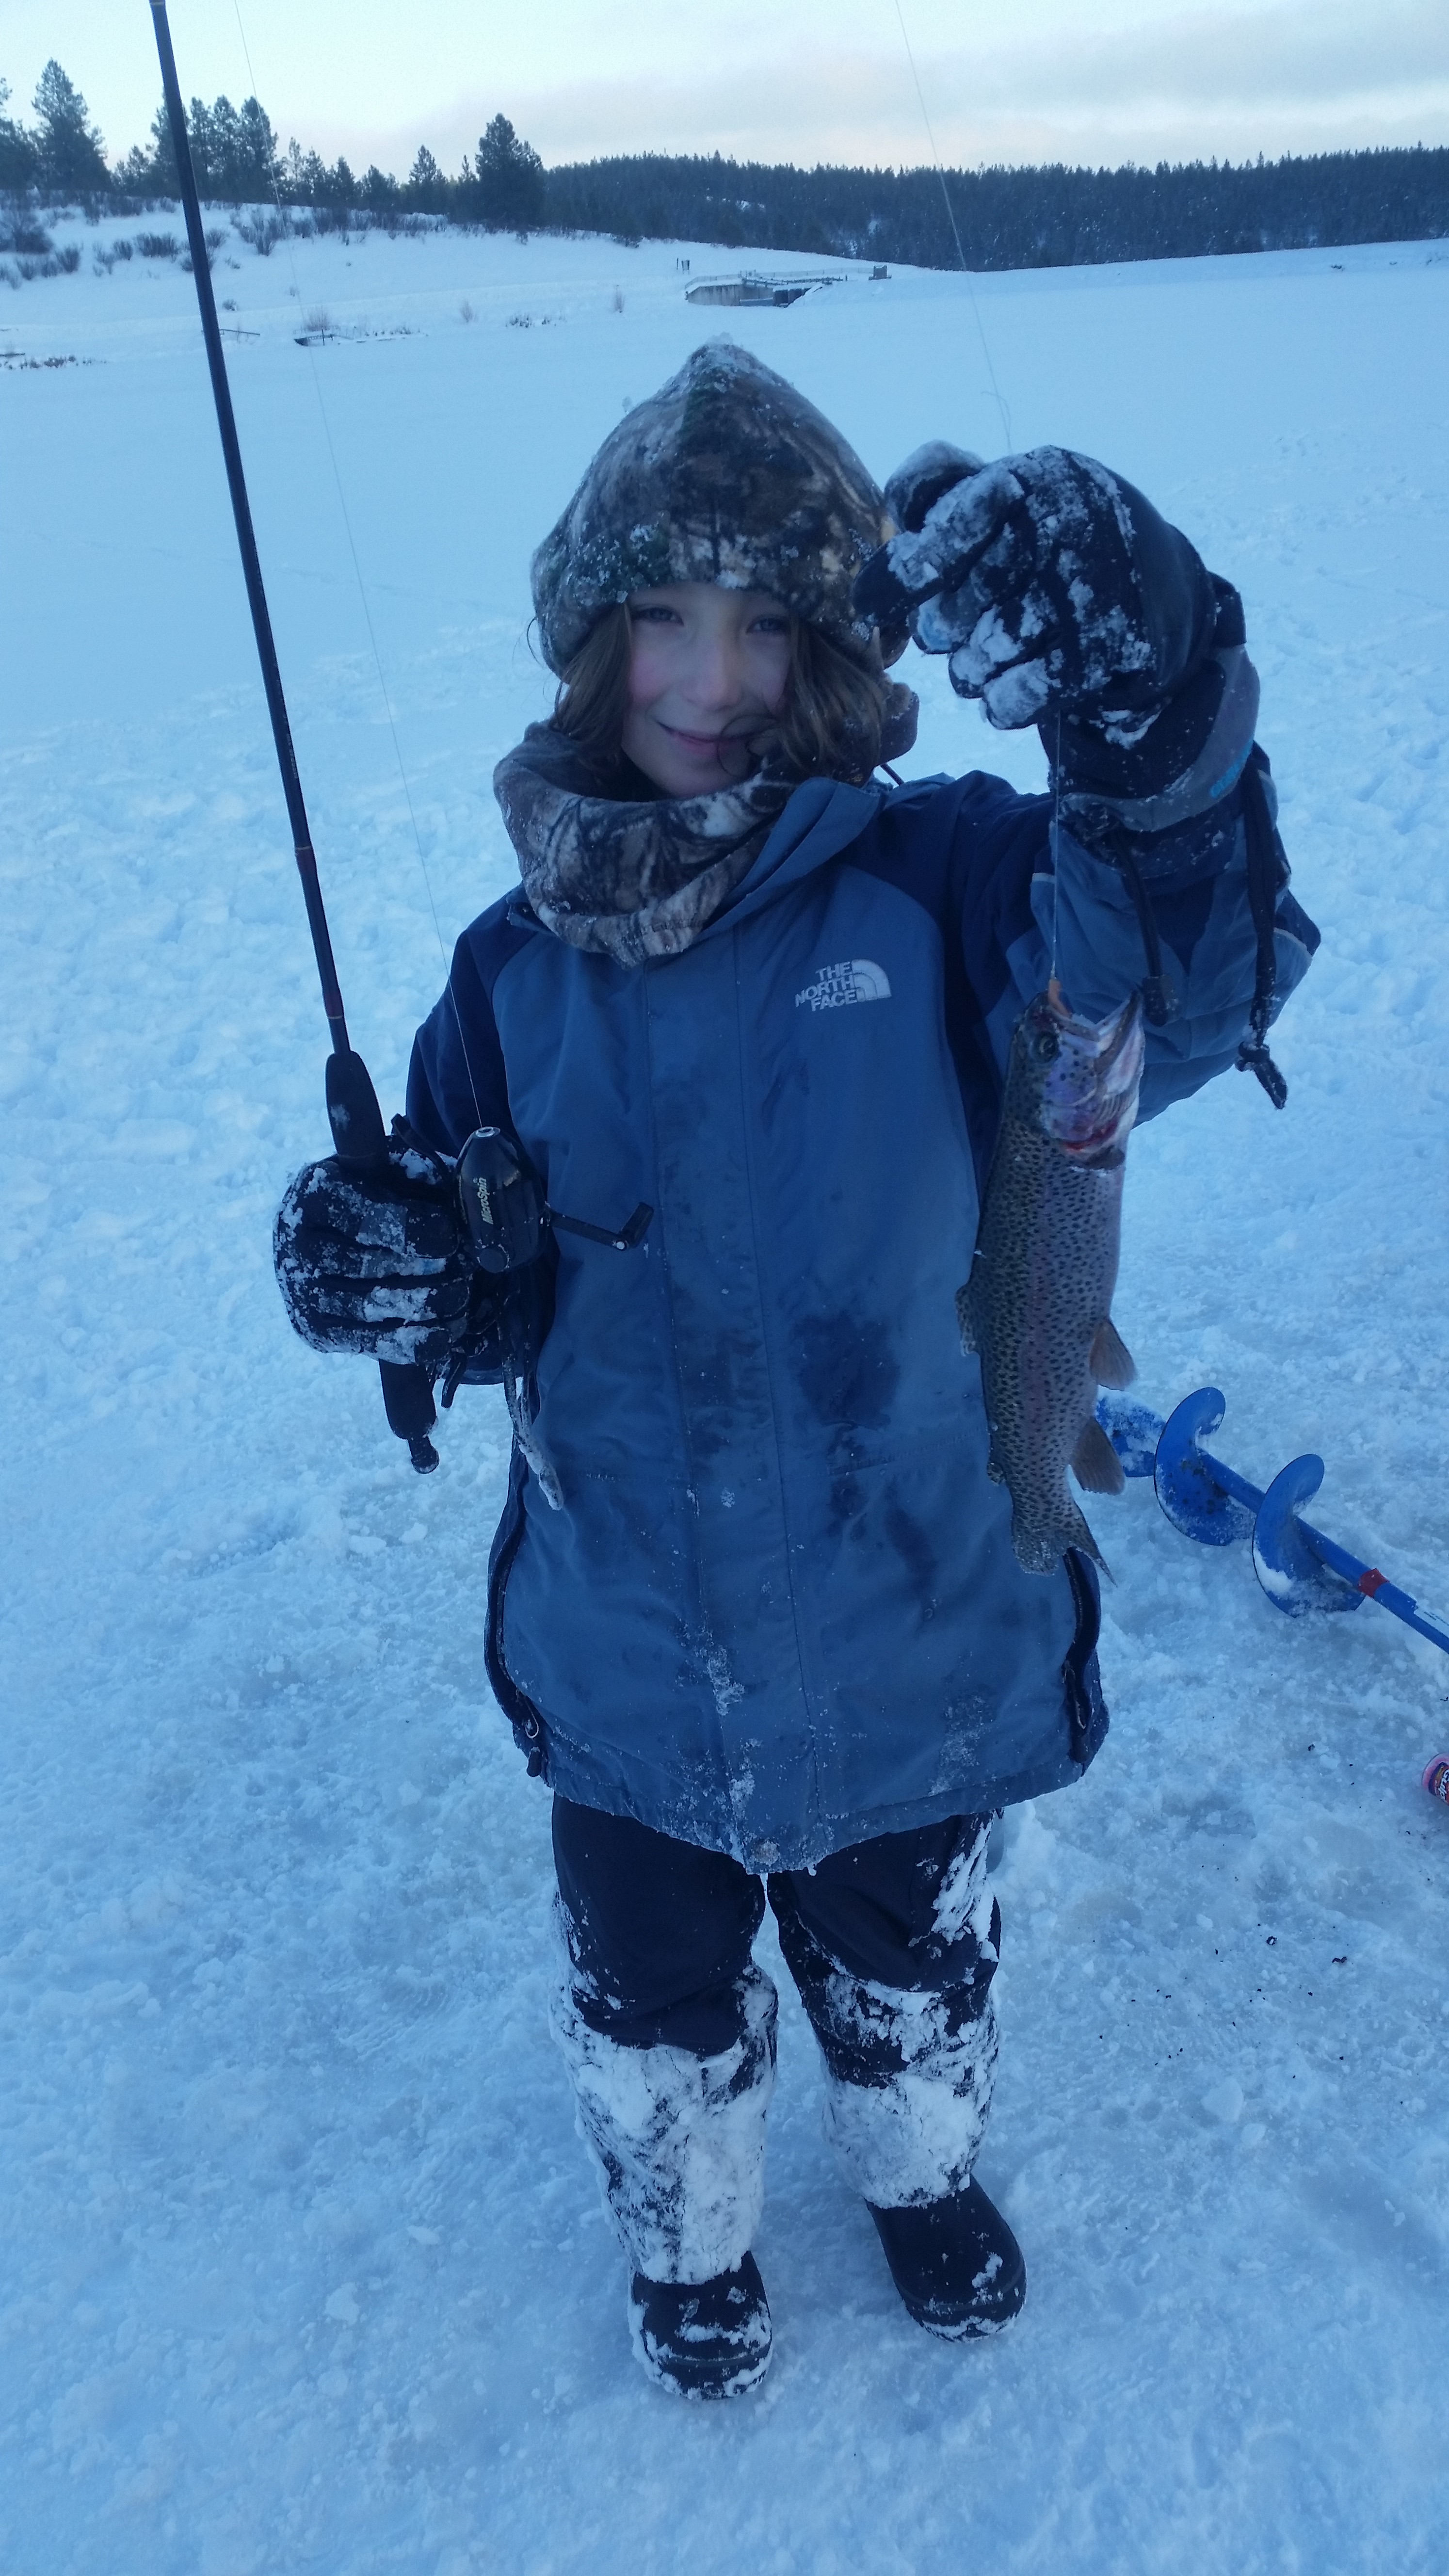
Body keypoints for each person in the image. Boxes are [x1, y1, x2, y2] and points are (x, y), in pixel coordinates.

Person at [274, 343, 1318, 2400]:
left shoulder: (945, 883)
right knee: (653, 2012)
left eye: (763, 621)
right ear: (593, 639)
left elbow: (1179, 971)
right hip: (629, 1679)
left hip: (919, 1637)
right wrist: (397, 1276)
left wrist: (1156, 700)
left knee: (913, 1973)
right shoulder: (502, 972)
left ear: (832, 644)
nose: (709, 673)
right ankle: (690, 2244)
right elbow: (481, 1268)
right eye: (662, 615)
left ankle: (920, 2172)